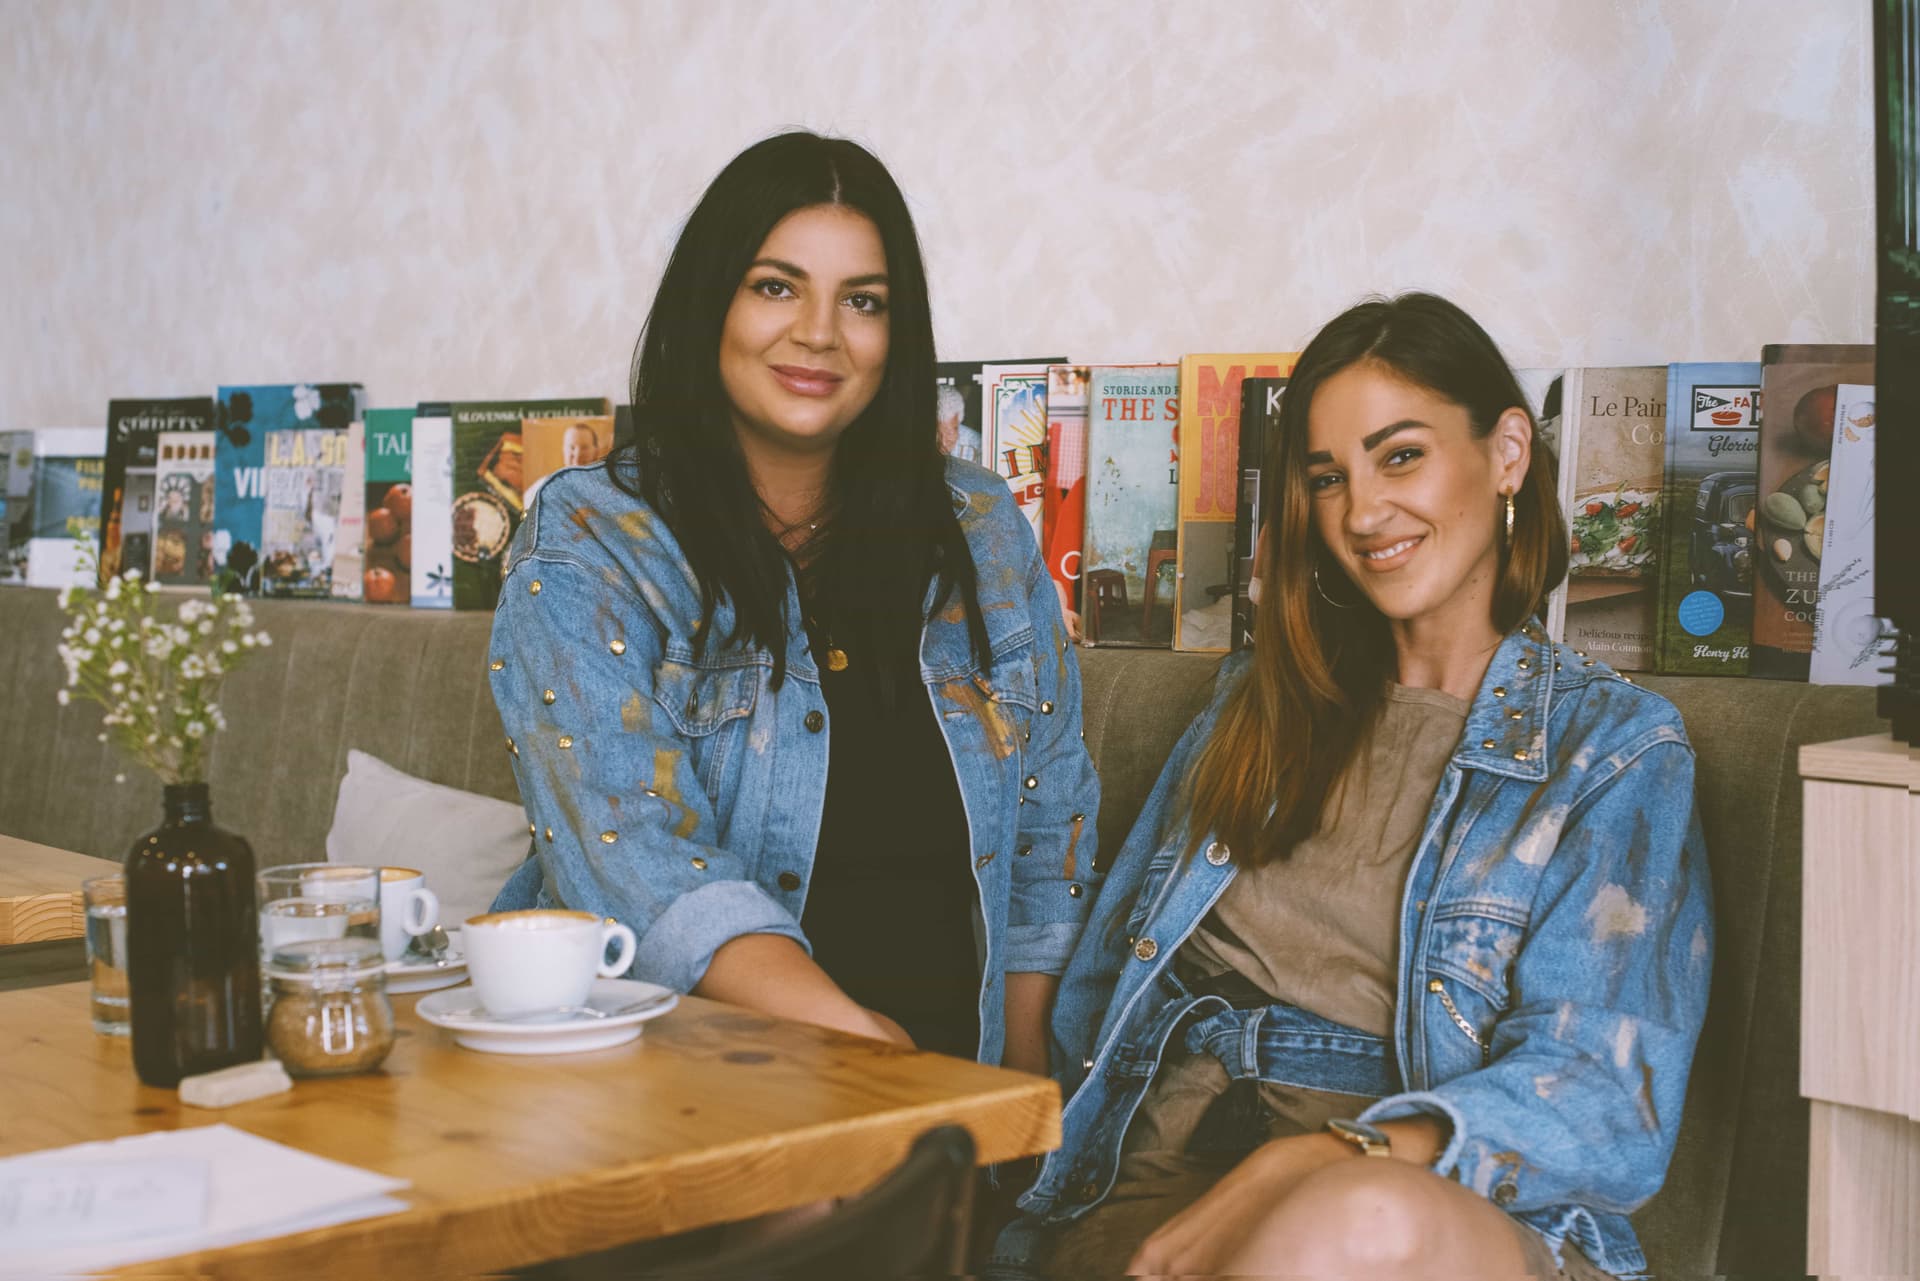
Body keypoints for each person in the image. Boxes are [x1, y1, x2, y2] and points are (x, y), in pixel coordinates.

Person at [992, 293, 1711, 1278]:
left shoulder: (1613, 749)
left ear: (1508, 453)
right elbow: (1103, 973)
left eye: (1401, 456)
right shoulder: (1259, 699)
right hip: (1165, 1160)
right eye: (1328, 477)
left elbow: (1602, 1095)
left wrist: (1335, 1154)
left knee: (1358, 1217)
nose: (1363, 514)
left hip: (1427, 1202)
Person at [486, 132, 1098, 1073]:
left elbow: (1047, 846)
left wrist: (1012, 1114)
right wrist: (867, 1058)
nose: (819, 332)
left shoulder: (981, 531)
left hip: (942, 1108)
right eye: (776, 287)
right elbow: (638, 861)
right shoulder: (590, 541)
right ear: (710, 303)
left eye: (863, 301)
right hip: (683, 1094)